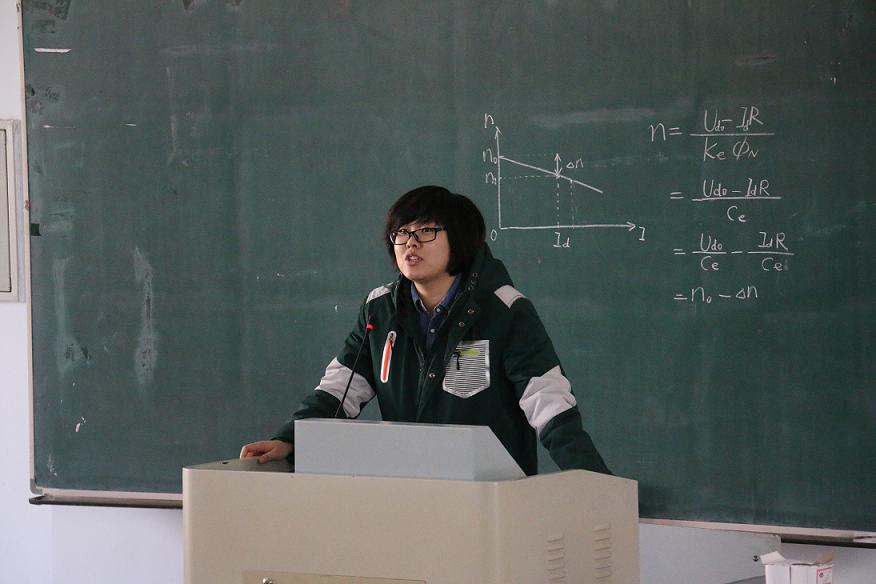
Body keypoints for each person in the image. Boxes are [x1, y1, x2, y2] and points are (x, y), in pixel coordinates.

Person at [240, 185, 611, 475]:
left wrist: (591, 481)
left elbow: (547, 402)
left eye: (427, 231)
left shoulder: (505, 310)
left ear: (460, 239)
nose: (411, 243)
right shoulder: (379, 310)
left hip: (491, 498)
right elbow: (340, 390)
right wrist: (290, 439)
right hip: (410, 492)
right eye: (401, 233)